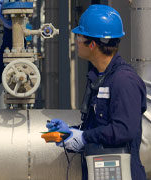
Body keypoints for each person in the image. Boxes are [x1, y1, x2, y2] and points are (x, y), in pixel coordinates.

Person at [46, 4, 147, 180]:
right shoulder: (99, 78)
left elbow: (124, 130)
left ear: (92, 44)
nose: (76, 40)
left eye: (79, 35)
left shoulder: (123, 80)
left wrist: (84, 137)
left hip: (124, 174)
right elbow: (100, 129)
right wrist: (70, 133)